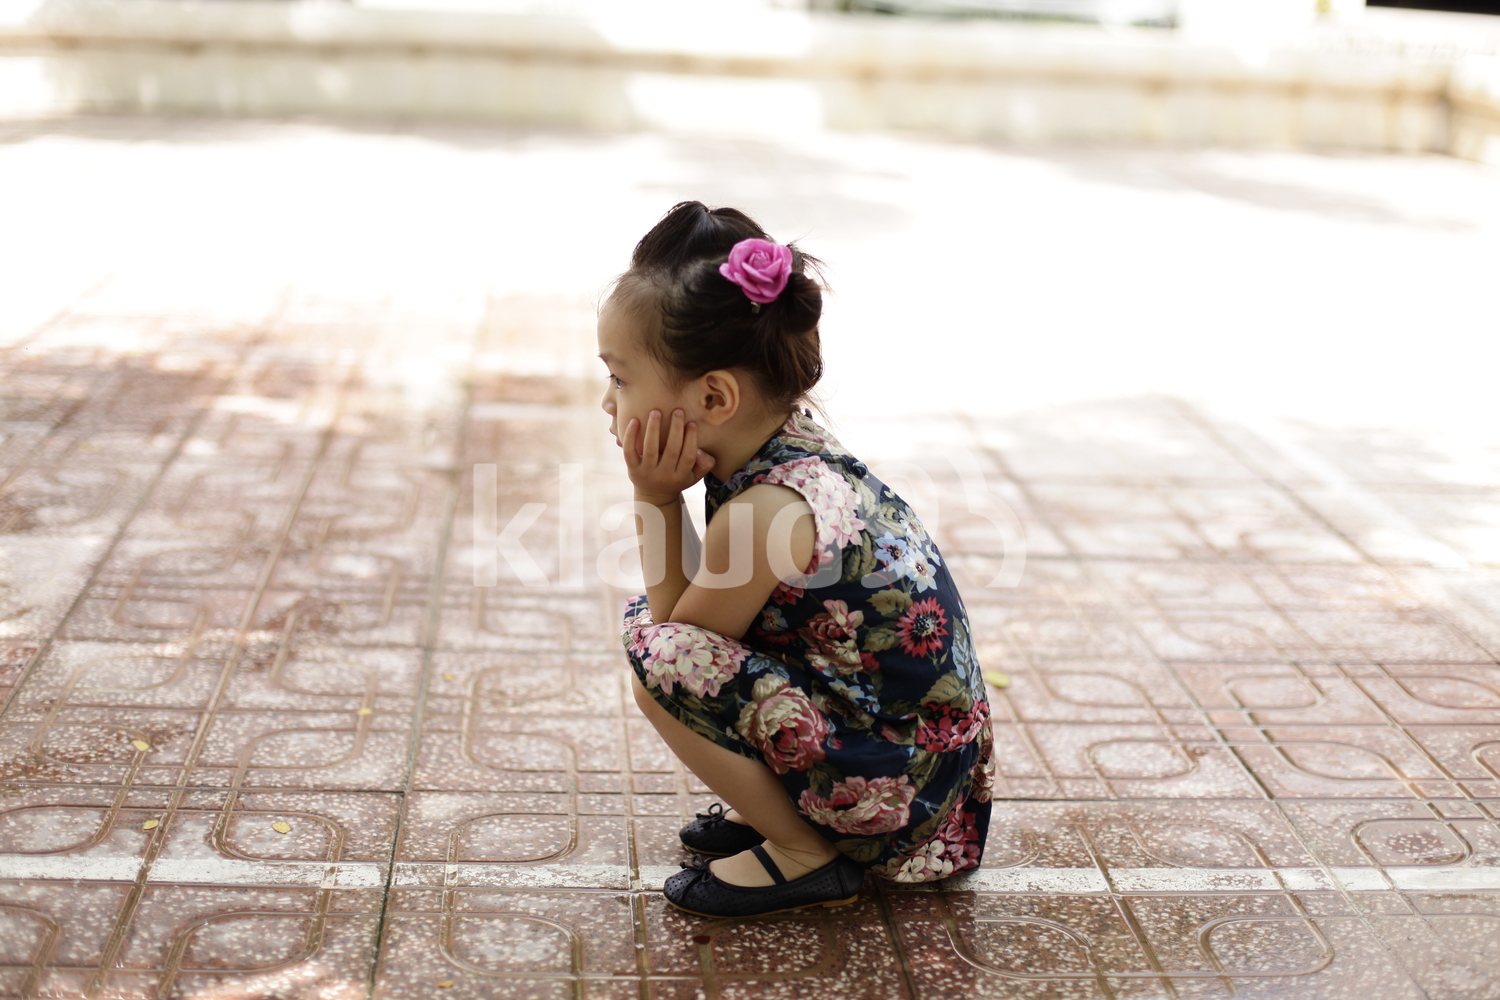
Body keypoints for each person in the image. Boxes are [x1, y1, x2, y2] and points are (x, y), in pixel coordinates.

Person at [599, 201, 995, 919]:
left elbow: (681, 651)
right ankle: (784, 811)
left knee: (663, 664)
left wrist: (654, 498)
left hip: (902, 799)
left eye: (620, 379)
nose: (607, 401)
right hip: (925, 772)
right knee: (670, 637)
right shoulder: (788, 446)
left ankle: (806, 854)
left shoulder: (768, 510)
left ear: (715, 395)